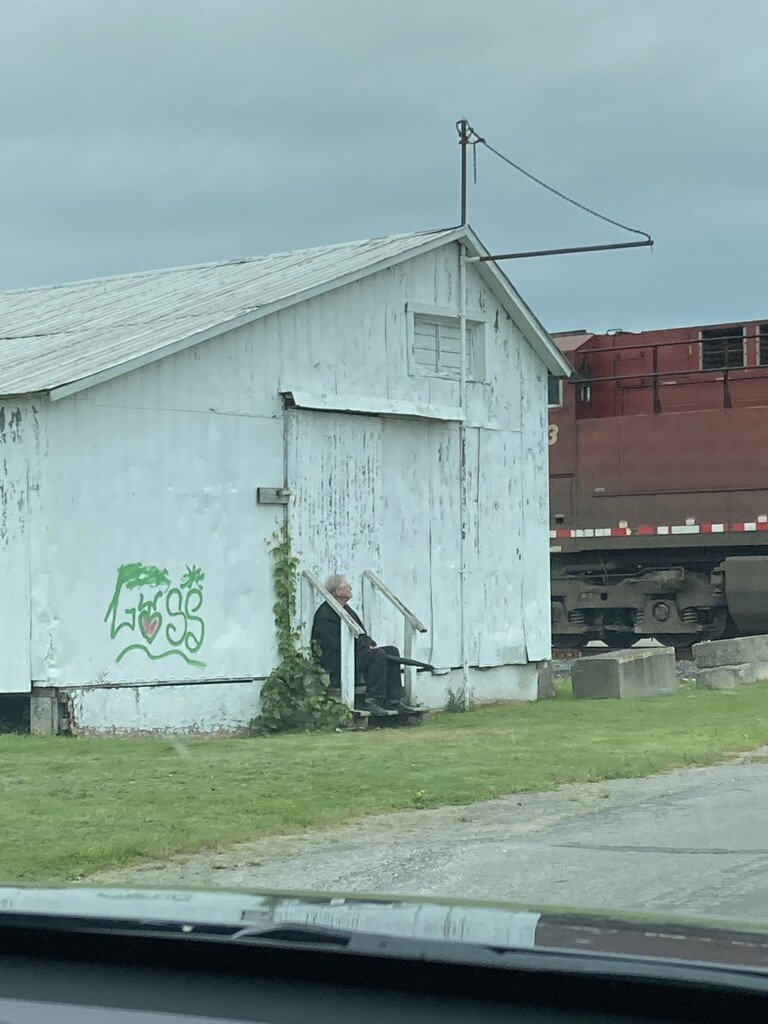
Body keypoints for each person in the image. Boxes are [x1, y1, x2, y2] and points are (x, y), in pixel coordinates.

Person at [311, 574, 418, 716]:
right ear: (337, 592)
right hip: (336, 659)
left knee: (391, 651)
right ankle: (373, 700)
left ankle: (393, 700)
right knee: (377, 655)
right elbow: (334, 643)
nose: (350, 588)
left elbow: (361, 634)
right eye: (346, 586)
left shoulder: (346, 610)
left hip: (354, 652)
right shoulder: (325, 614)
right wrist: (365, 647)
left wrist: (368, 643)